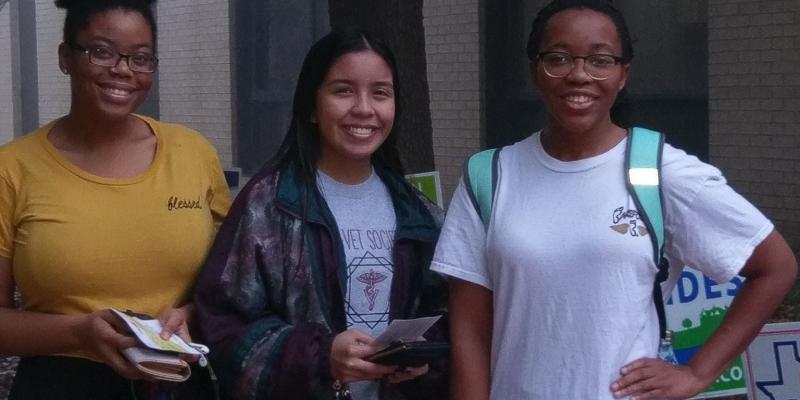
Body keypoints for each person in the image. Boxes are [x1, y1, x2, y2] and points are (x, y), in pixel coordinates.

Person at [431, 0, 798, 399]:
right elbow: (470, 332)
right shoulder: (490, 176)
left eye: (600, 60)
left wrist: (695, 373)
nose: (579, 75)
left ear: (624, 74)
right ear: (534, 71)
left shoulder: (662, 172)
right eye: (558, 58)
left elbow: (775, 266)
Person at [193, 29, 448, 400]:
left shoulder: (418, 212)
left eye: (380, 92)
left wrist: (426, 356)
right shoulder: (269, 204)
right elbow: (221, 324)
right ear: (312, 106)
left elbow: (449, 315)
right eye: (343, 90)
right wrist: (319, 358)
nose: (364, 108)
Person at [0, 0, 231, 398]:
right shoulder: (13, 168)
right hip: (61, 383)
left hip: (175, 382)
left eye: (140, 58)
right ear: (65, 57)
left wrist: (193, 313)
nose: (123, 70)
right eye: (101, 51)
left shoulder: (194, 154)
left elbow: (232, 284)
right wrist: (79, 331)